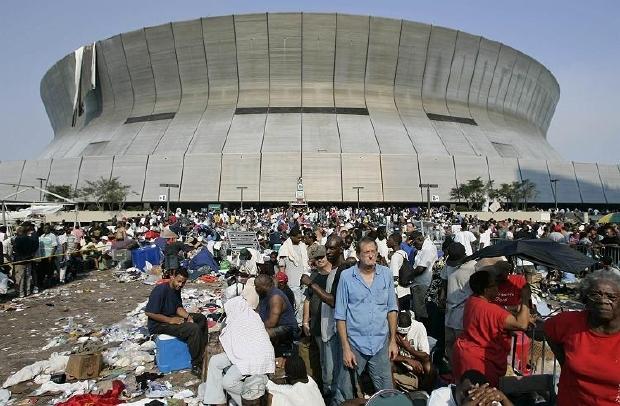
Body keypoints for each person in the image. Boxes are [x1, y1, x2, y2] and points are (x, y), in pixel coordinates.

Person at [333, 237, 399, 403]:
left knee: (386, 393)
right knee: (346, 392)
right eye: (366, 252)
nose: (370, 256)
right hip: (354, 343)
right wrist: (346, 348)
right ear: (358, 255)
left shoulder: (386, 274)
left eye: (373, 252)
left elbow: (392, 309)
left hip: (380, 343)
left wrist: (392, 341)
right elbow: (340, 316)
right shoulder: (347, 277)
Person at [544, 270, 620, 406]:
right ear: (585, 300)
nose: (603, 301)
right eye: (595, 295)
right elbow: (549, 330)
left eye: (611, 297)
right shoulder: (567, 322)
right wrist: (566, 362)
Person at [452, 270, 533, 386]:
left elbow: (498, 314)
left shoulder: (473, 300)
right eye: (494, 285)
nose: (498, 288)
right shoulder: (490, 309)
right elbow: (522, 324)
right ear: (486, 290)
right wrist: (525, 298)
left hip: (466, 354)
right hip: (479, 362)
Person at [202, 296, 274, 406]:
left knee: (228, 383)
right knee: (215, 361)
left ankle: (252, 397)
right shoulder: (238, 318)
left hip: (255, 357)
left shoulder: (250, 318)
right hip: (243, 353)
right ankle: (217, 399)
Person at [144, 268, 208, 374]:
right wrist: (170, 320)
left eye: (183, 283)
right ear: (172, 277)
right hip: (159, 324)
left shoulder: (176, 290)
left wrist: (187, 316)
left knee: (200, 318)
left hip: (171, 317)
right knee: (193, 328)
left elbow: (178, 308)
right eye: (179, 281)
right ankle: (196, 363)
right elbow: (149, 312)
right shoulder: (160, 290)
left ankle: (202, 349)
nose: (180, 284)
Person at [393, 310, 435, 392]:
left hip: (417, 366)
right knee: (389, 365)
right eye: (400, 334)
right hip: (400, 364)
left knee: (429, 367)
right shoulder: (391, 326)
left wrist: (408, 348)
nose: (402, 337)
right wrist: (407, 359)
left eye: (404, 334)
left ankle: (424, 391)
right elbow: (387, 355)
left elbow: (426, 356)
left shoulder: (419, 327)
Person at [254, 274, 299, 347]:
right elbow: (258, 311)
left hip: (285, 327)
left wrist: (255, 327)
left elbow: (272, 323)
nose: (255, 289)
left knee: (259, 335)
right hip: (273, 325)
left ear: (264, 286)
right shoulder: (263, 294)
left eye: (257, 286)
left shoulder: (275, 297)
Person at [428, 369, 513, 406]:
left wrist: (503, 399)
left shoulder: (486, 398)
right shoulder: (441, 395)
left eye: (476, 395)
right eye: (466, 393)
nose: (472, 398)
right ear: (457, 385)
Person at [278, 227, 309, 324]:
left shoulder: (302, 246)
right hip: (291, 282)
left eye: (301, 237)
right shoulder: (284, 249)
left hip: (303, 281)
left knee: (302, 305)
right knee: (294, 304)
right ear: (291, 237)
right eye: (298, 237)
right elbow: (282, 267)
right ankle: (292, 325)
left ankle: (299, 326)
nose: (300, 239)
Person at [411, 234, 438, 327]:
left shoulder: (427, 248)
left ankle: (423, 330)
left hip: (422, 282)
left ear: (419, 239)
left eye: (414, 243)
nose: (414, 246)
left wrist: (408, 277)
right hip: (422, 281)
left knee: (420, 311)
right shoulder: (425, 246)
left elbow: (421, 268)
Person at [387, 232, 411, 311]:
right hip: (407, 290)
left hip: (399, 293)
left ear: (395, 243)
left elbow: (394, 278)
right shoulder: (404, 253)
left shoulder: (395, 256)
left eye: (389, 240)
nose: (387, 241)